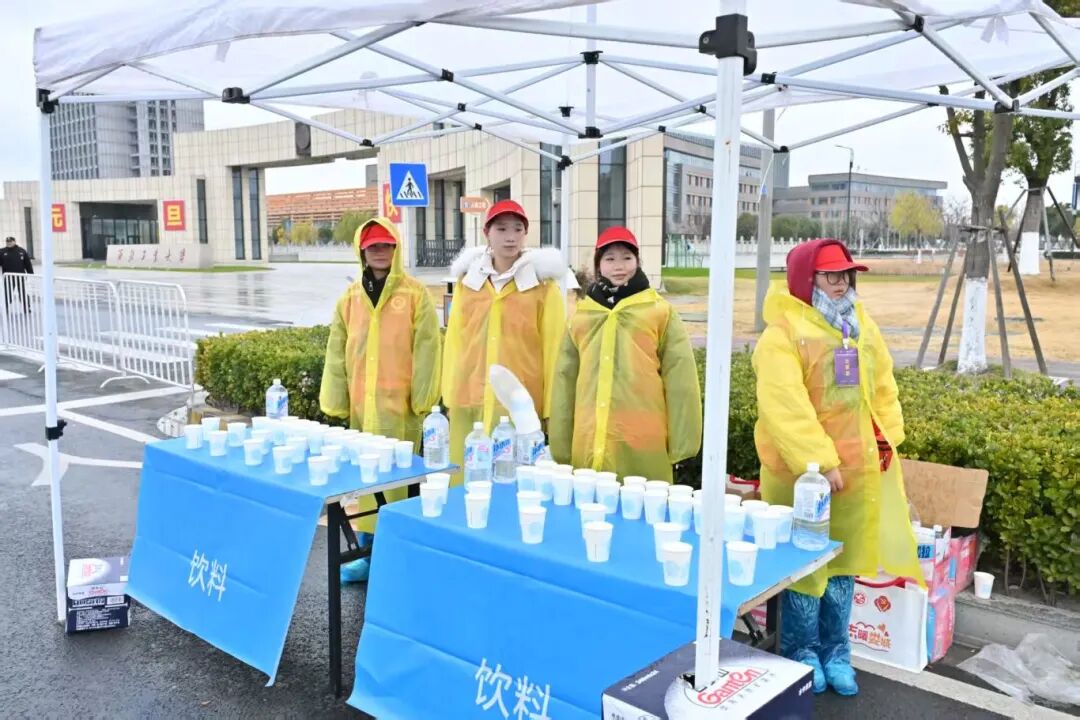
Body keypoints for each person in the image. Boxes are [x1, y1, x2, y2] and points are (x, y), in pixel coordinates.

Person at [752, 239, 922, 697]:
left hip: (855, 475)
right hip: (801, 478)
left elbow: (882, 383)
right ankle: (801, 651)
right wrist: (820, 462)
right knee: (805, 566)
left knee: (845, 563)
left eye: (846, 274)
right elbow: (784, 408)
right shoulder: (782, 334)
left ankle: (836, 651)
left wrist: (887, 436)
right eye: (831, 275)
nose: (842, 283)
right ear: (807, 279)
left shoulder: (858, 324)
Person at [320, 217, 442, 582]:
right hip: (364, 407)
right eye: (372, 246)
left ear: (396, 248)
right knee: (368, 484)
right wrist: (336, 399)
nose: (379, 251)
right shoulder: (350, 298)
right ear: (361, 250)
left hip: (400, 408)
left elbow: (428, 348)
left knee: (400, 484)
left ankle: (399, 556)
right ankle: (368, 554)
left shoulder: (415, 294)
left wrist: (423, 398)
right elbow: (337, 351)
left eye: (386, 245)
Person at [550, 226, 702, 481]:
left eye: (626, 258)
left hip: (643, 439)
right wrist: (561, 443)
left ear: (638, 261)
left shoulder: (659, 312)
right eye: (610, 259)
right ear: (599, 265)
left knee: (643, 500)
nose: (618, 266)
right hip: (588, 438)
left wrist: (683, 444)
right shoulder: (582, 316)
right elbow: (564, 380)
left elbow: (680, 377)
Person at [443, 200, 568, 474]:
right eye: (501, 229)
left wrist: (550, 410)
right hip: (470, 400)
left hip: (519, 406)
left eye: (517, 229)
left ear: (525, 234)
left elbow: (555, 351)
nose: (510, 237)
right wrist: (449, 396)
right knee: (467, 478)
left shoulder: (542, 288)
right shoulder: (469, 283)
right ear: (486, 233)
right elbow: (454, 343)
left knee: (512, 481)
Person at [1, 236, 34, 313]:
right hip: (8, 277)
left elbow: (28, 264)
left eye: (10, 241)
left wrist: (31, 273)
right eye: (7, 242)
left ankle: (27, 308)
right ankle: (5, 309)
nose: (9, 243)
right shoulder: (2, 251)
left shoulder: (22, 251)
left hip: (20, 277)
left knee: (22, 294)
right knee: (7, 294)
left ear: (14, 242)